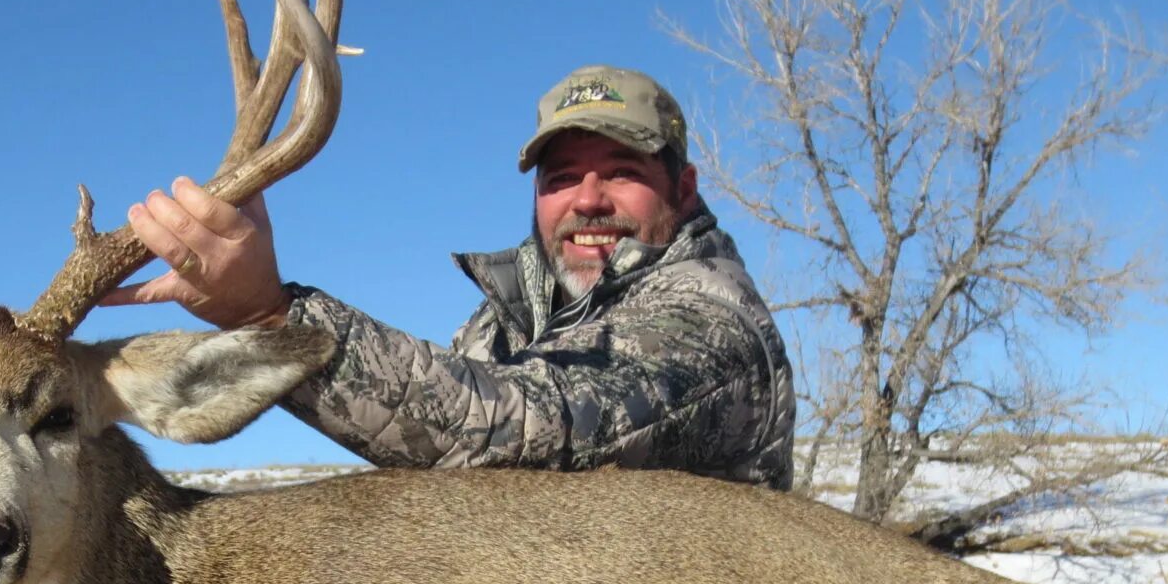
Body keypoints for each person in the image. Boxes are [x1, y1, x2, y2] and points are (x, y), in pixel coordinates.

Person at [104, 65, 795, 488]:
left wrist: (271, 318)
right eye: (561, 178)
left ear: (687, 189)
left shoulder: (713, 324)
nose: (588, 198)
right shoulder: (506, 327)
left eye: (622, 173)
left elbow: (521, 441)